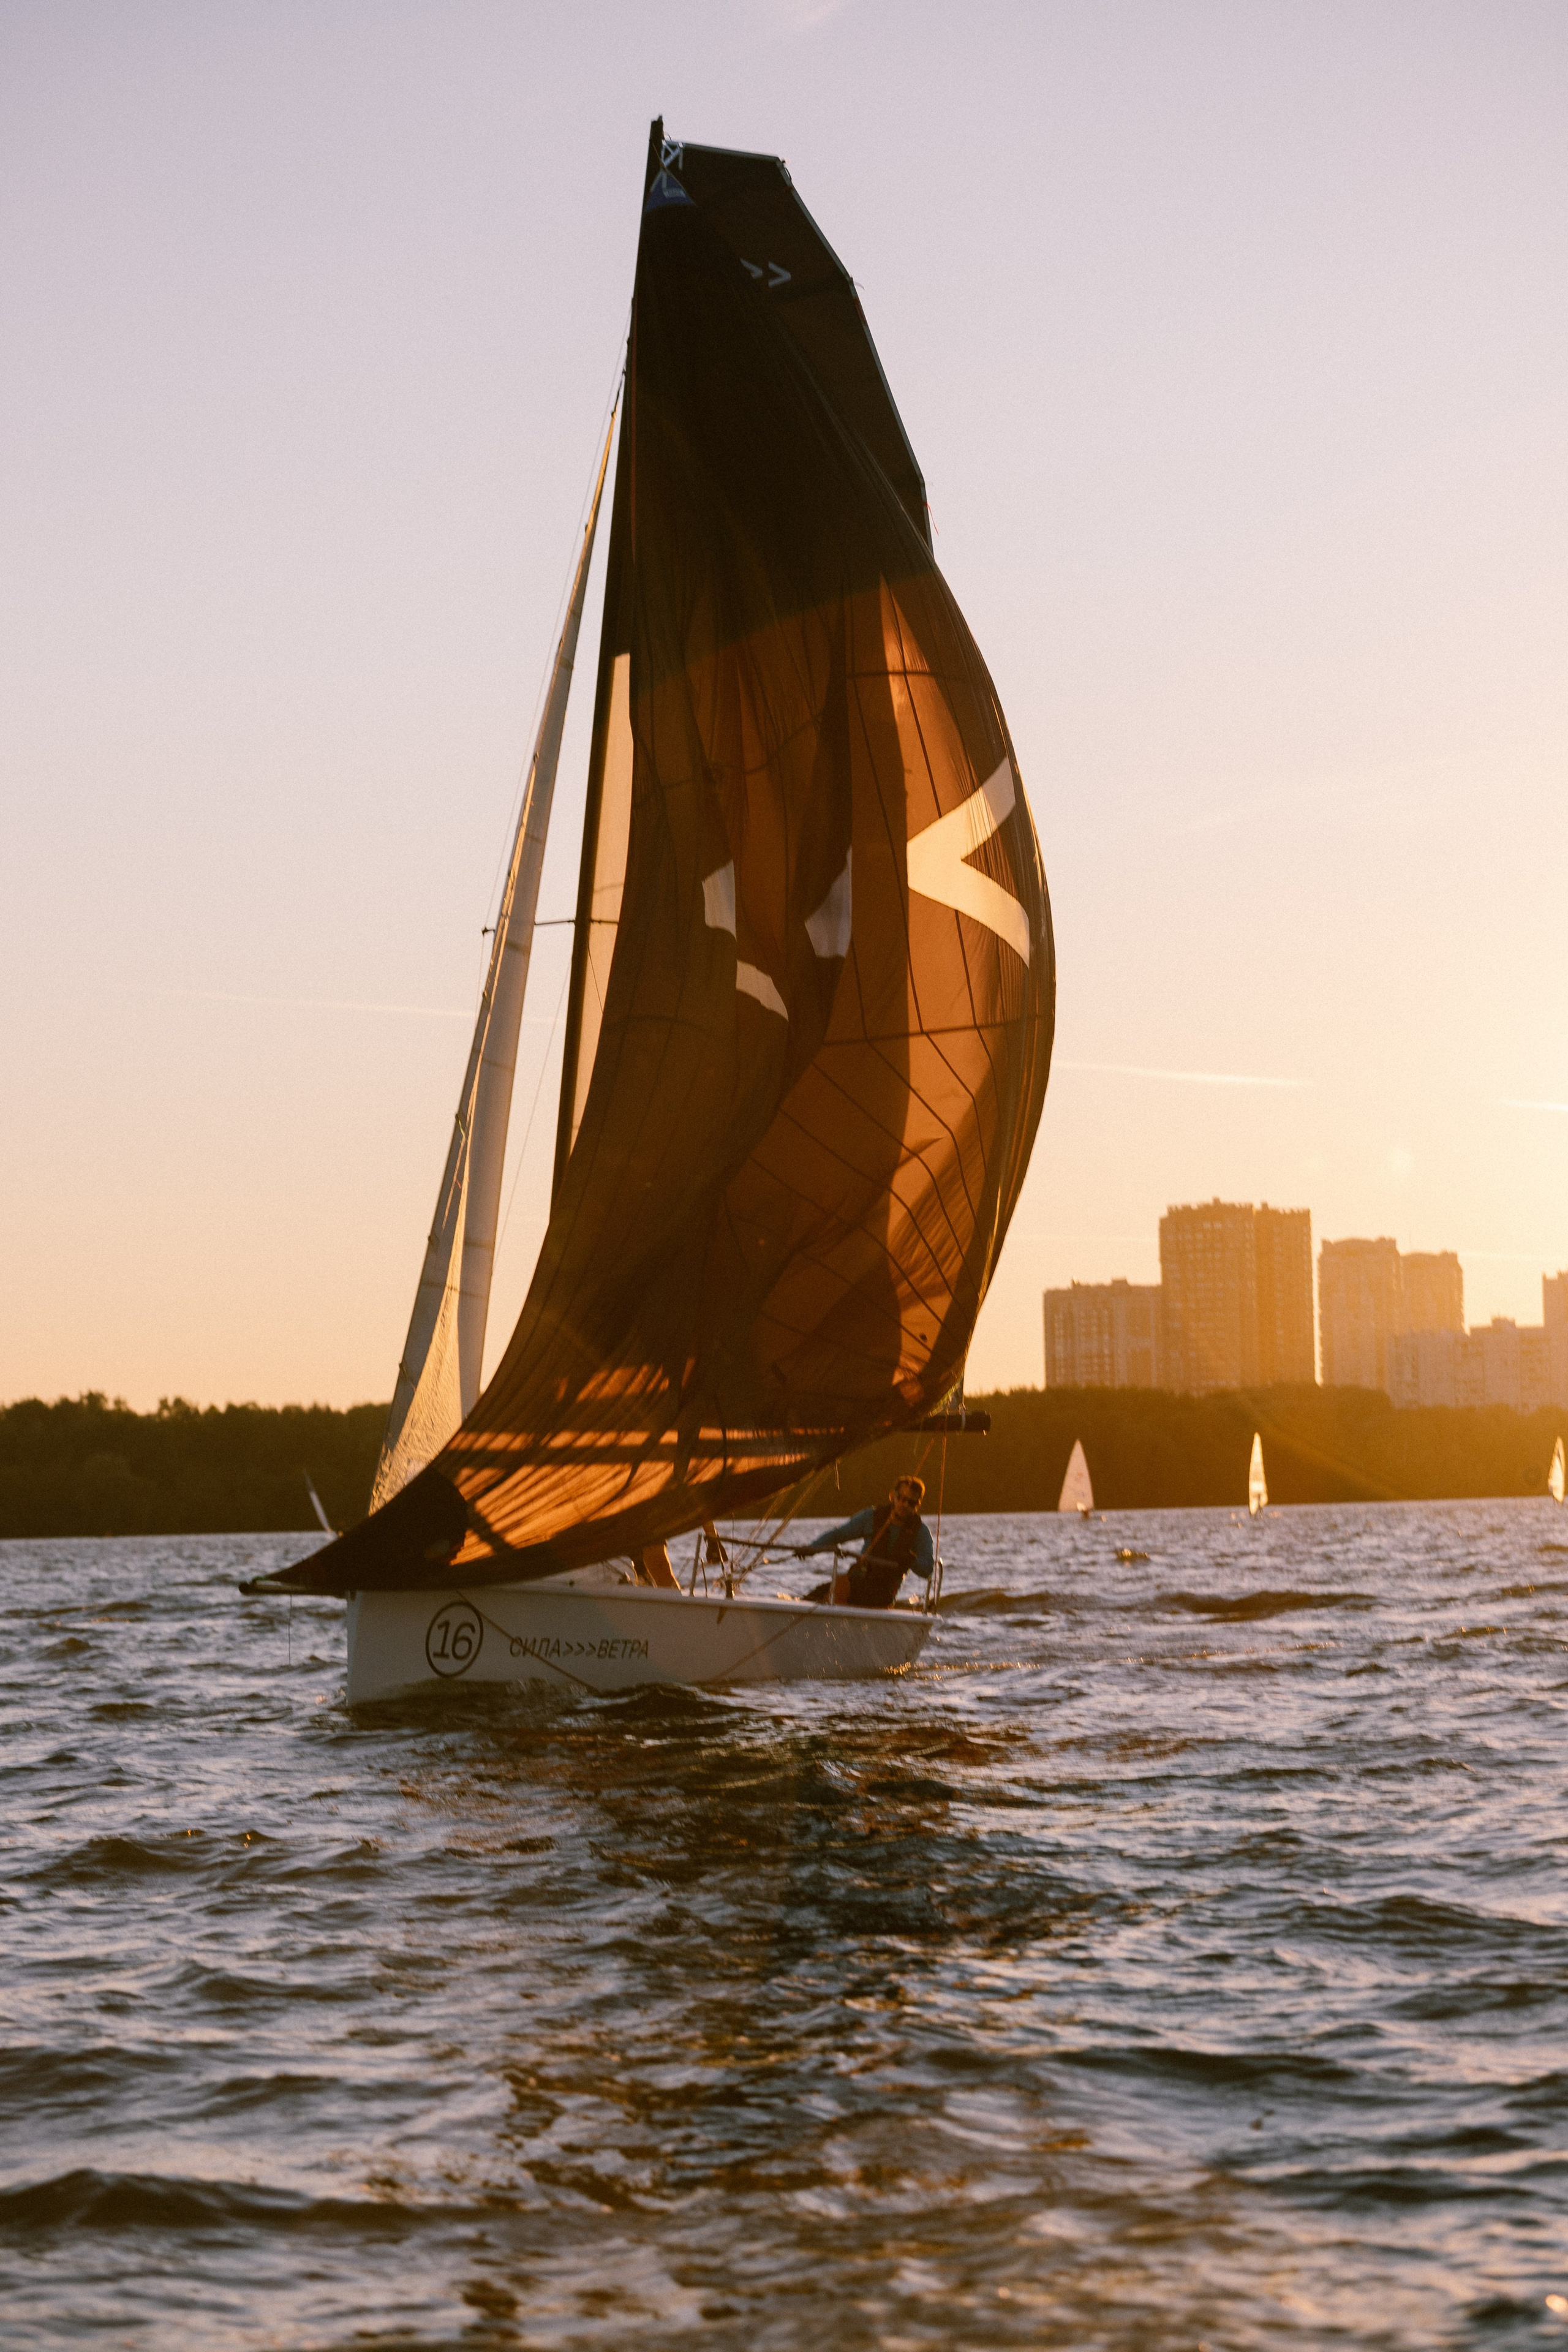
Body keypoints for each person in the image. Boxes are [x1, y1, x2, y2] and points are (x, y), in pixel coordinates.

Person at [795, 1476, 934, 1608]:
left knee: (840, 1588)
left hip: (884, 1592)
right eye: (901, 1498)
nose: (905, 1504)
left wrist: (911, 1559)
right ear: (892, 1496)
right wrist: (812, 1549)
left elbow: (927, 1569)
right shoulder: (871, 1517)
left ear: (918, 1505)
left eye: (911, 1502)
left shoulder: (920, 1532)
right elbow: (838, 1535)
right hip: (860, 1580)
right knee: (818, 1594)